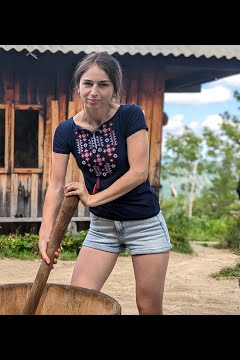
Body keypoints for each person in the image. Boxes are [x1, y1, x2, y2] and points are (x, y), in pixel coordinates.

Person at [38, 51, 171, 315]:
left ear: (115, 89)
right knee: (79, 303)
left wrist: (92, 198)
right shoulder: (66, 130)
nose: (94, 92)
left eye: (103, 84)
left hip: (144, 224)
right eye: (88, 83)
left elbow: (138, 173)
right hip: (103, 228)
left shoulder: (130, 116)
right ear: (78, 87)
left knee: (148, 306)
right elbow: (55, 185)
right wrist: (46, 233)